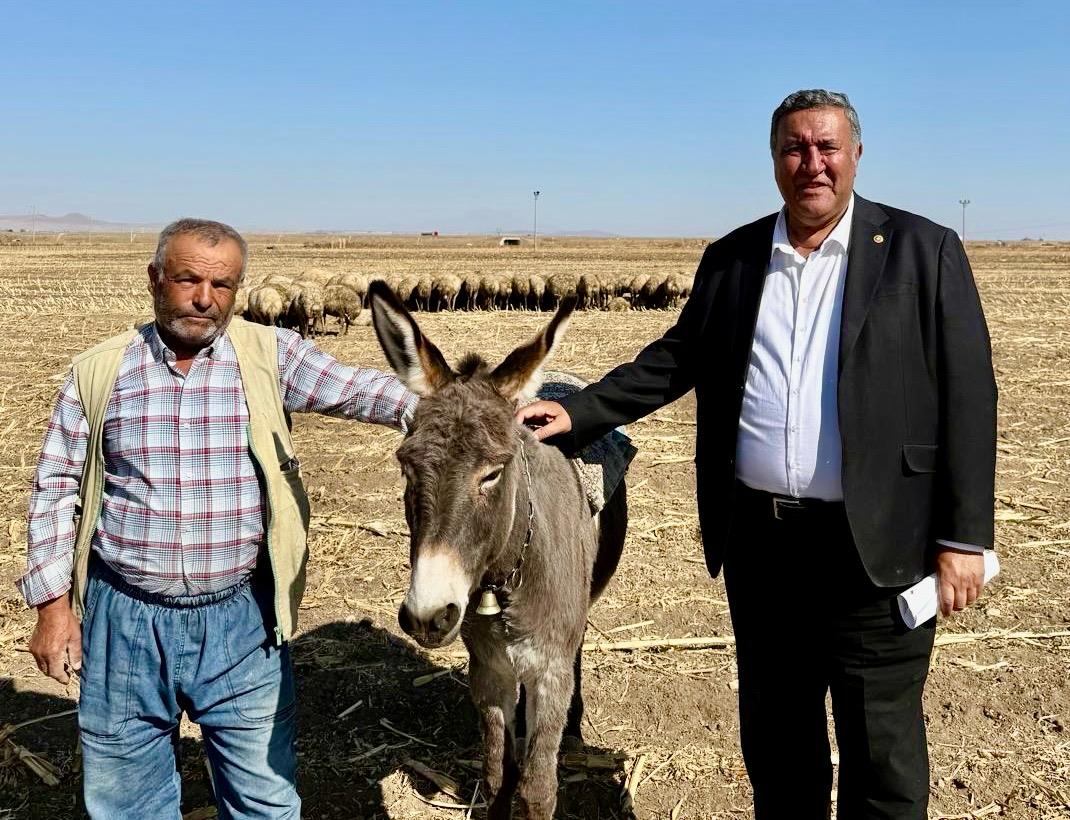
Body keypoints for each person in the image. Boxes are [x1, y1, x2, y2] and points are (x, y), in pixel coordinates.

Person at [518, 89, 997, 819]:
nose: (812, 164)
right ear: (775, 160)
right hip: (764, 549)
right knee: (779, 752)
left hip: (879, 550)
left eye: (827, 147)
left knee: (884, 758)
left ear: (856, 155)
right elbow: (674, 360)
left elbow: (970, 397)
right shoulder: (736, 258)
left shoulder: (921, 250)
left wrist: (963, 538)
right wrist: (579, 410)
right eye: (795, 149)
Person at [21, 218, 417, 818]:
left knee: (263, 799)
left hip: (242, 620)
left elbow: (366, 391)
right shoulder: (99, 371)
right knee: (127, 800)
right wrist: (52, 606)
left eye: (223, 285)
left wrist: (476, 412)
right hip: (125, 621)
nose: (205, 298)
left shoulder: (268, 355)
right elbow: (55, 487)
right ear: (156, 280)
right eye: (187, 279)